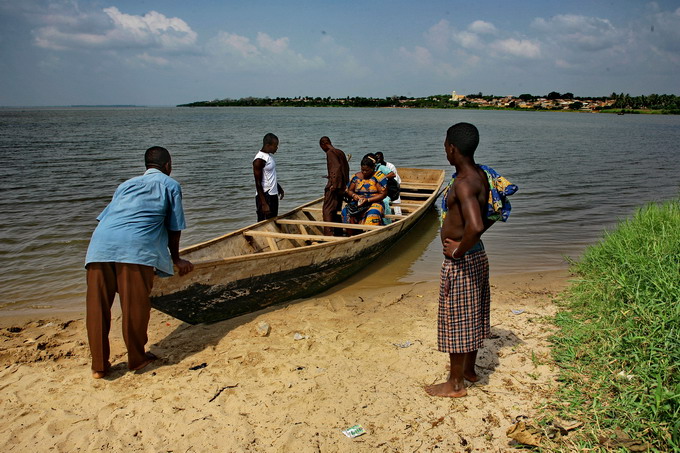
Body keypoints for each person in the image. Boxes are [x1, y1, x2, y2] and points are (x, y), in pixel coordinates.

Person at [85, 146, 194, 379]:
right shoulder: (170, 185)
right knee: (135, 306)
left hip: (98, 247)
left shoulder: (125, 185)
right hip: (134, 249)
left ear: (146, 166)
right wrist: (176, 259)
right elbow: (174, 229)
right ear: (168, 166)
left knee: (97, 309)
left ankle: (99, 367)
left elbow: (108, 217)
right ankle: (137, 359)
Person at [425, 123, 517, 398]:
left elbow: (475, 224)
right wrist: (470, 243)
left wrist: (457, 250)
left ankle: (455, 384)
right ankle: (468, 370)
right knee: (473, 314)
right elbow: (494, 212)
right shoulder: (482, 175)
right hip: (476, 254)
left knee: (457, 319)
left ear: (452, 149)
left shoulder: (463, 185)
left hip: (462, 260)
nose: (445, 150)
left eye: (445, 146)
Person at [342, 154, 388, 234]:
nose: (364, 172)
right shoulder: (356, 177)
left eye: (367, 170)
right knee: (345, 211)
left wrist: (368, 200)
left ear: (373, 168)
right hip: (358, 203)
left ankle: (369, 234)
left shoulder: (379, 176)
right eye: (362, 170)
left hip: (374, 203)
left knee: (373, 213)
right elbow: (350, 191)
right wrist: (354, 195)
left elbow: (383, 194)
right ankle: (351, 234)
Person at [319, 136, 350, 236]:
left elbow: (336, 168)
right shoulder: (339, 152)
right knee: (336, 210)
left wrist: (333, 185)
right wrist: (343, 184)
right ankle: (338, 232)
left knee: (327, 210)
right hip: (341, 187)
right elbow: (345, 168)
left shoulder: (330, 152)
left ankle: (328, 235)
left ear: (323, 145)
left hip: (335, 187)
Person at [253, 133, 284, 221]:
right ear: (268, 145)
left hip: (273, 195)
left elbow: (270, 176)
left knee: (273, 220)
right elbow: (258, 183)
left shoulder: (269, 157)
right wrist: (263, 203)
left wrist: (279, 188)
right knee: (264, 222)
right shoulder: (259, 160)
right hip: (266, 197)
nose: (277, 148)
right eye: (275, 146)